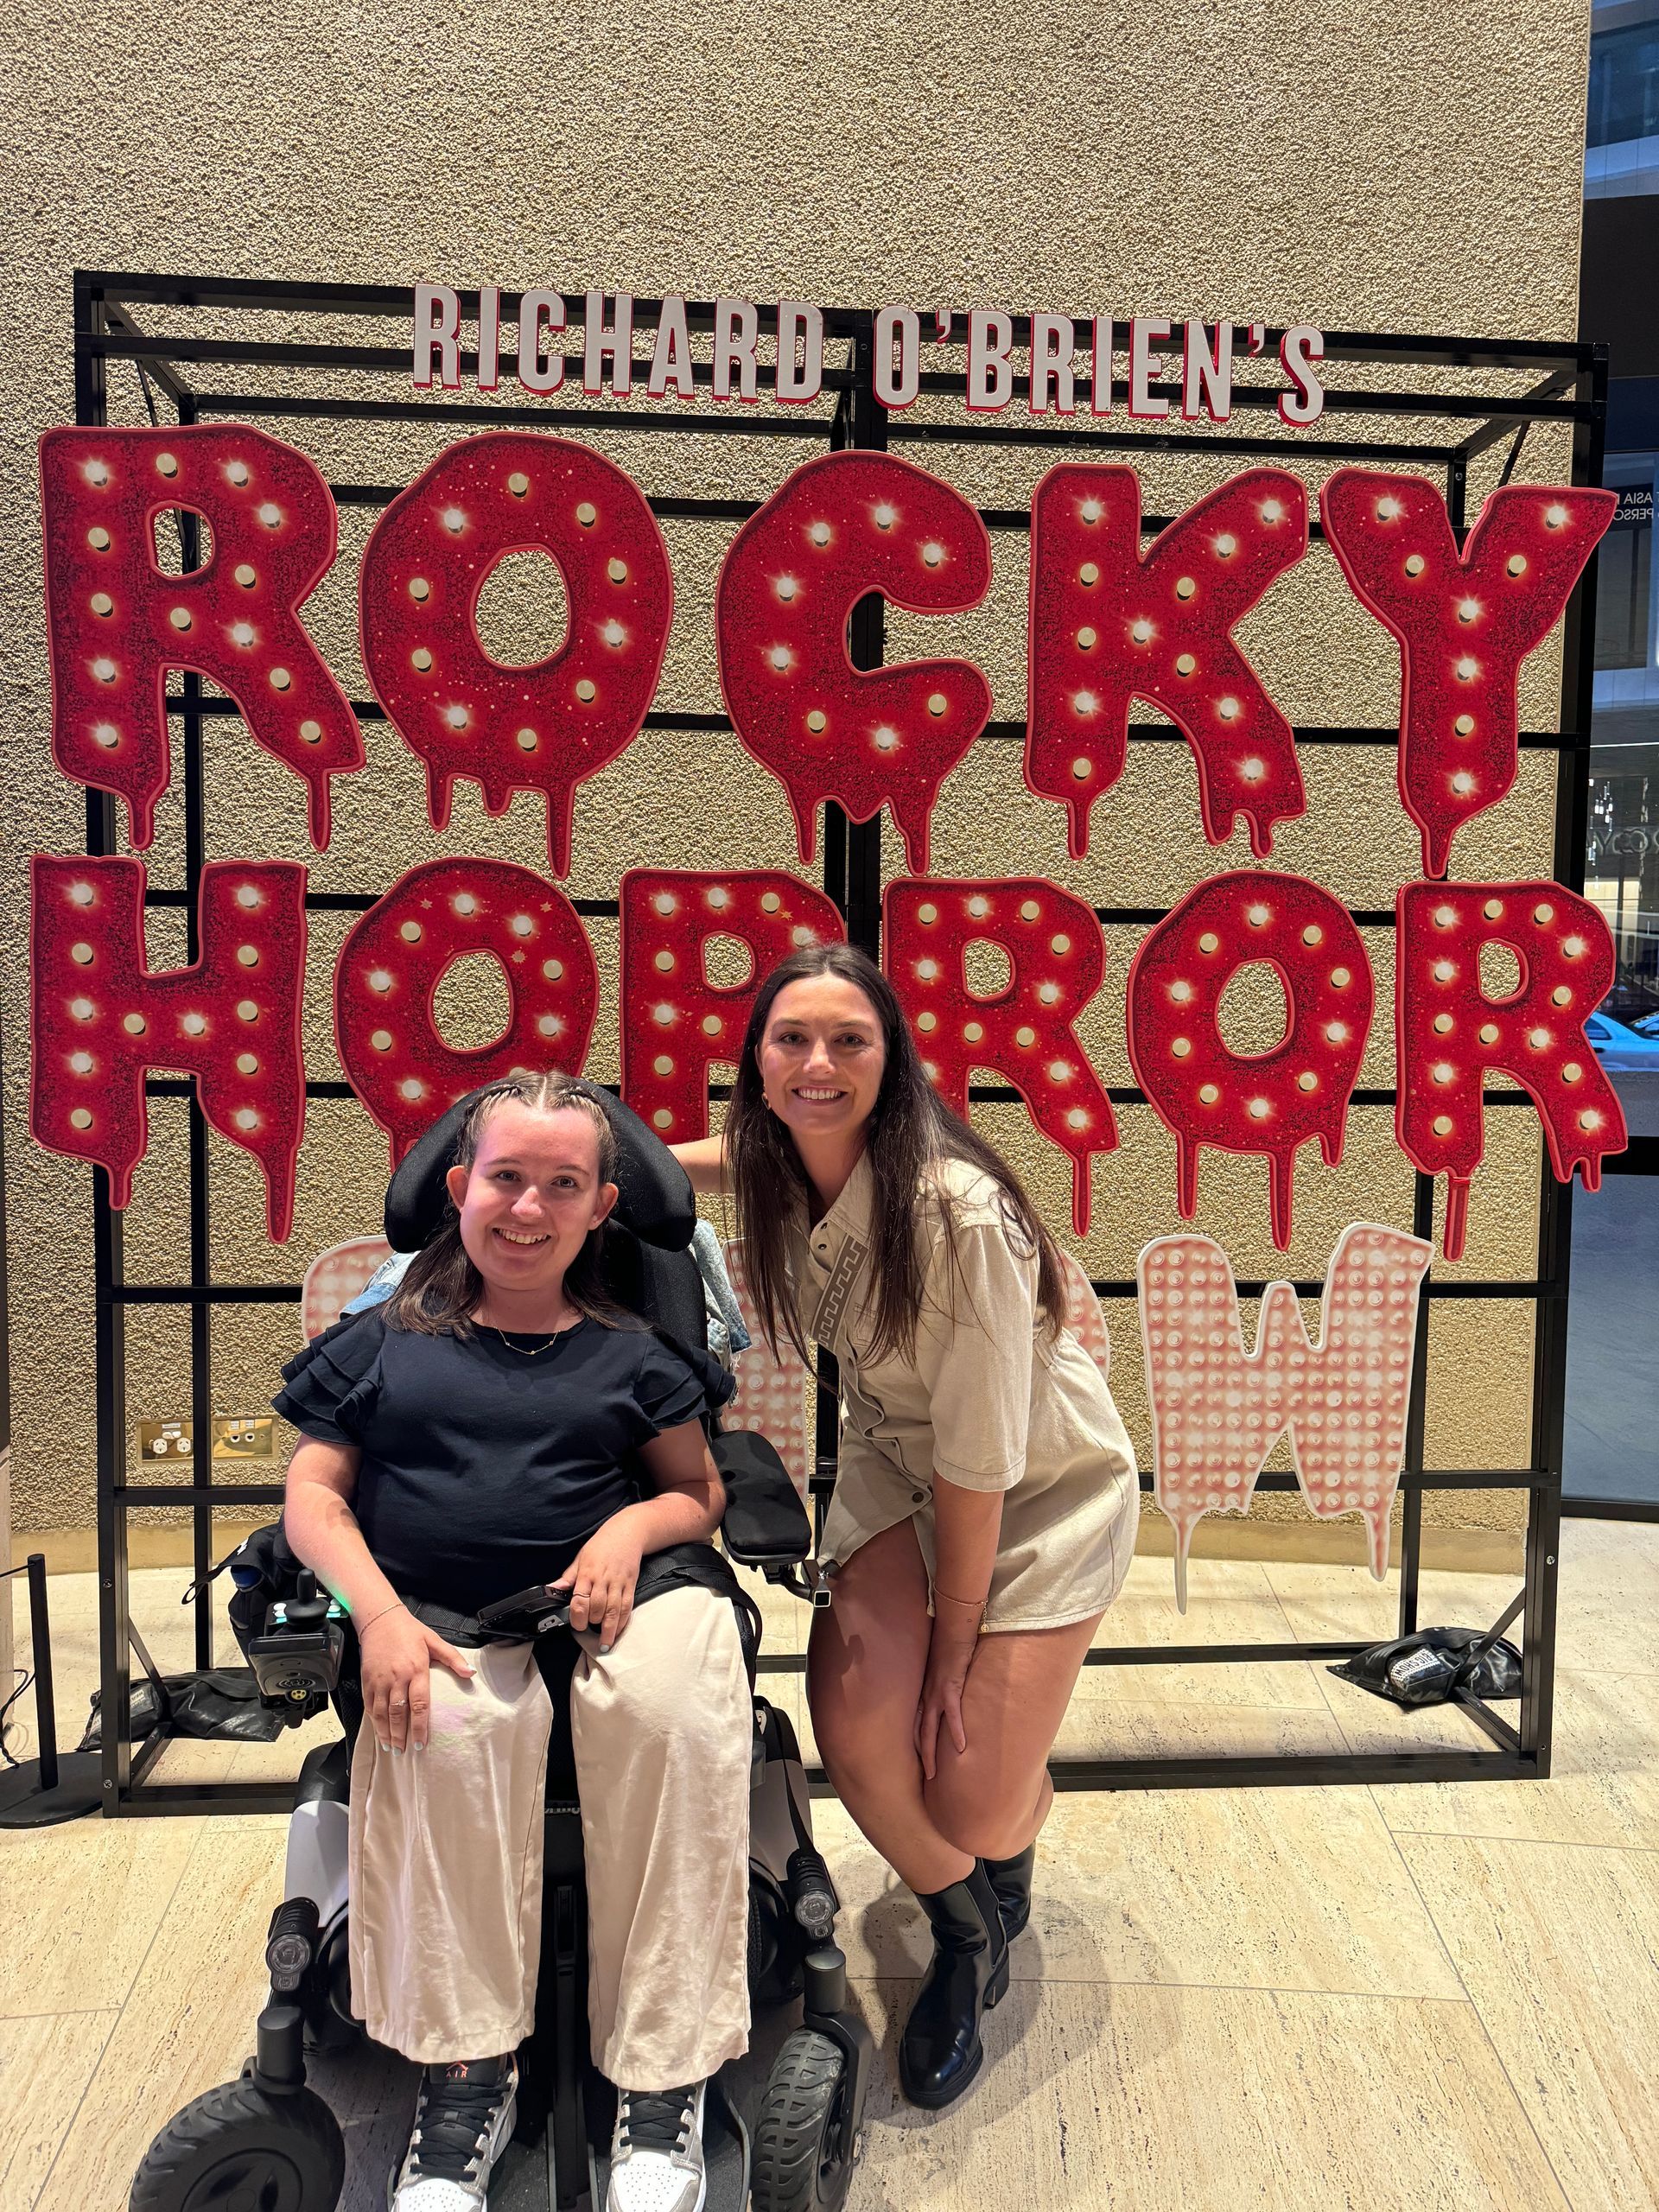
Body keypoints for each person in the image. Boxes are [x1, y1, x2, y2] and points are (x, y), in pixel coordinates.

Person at [674, 942, 1137, 2109]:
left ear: (895, 1063)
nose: (817, 1064)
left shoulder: (959, 1212)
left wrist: (954, 1641)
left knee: (970, 1789)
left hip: (1033, 1491)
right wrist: (587, 1157)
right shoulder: (794, 1159)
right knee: (861, 1733)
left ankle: (1009, 1827)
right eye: (792, 1040)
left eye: (849, 1041)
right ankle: (966, 1937)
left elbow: (985, 1464)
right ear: (760, 1060)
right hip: (899, 1464)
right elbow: (736, 1159)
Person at [276, 1072, 751, 2212]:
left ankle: (662, 2082)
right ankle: (466, 2078)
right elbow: (312, 1495)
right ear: (458, 1188)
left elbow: (697, 1490)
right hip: (436, 1604)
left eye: (563, 1185)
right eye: (506, 1178)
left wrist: (631, 1528)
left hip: (611, 1593)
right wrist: (377, 1616)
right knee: (443, 1724)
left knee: (670, 1709)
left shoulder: (634, 1349)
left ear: (601, 1208)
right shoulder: (388, 1339)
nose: (529, 1209)